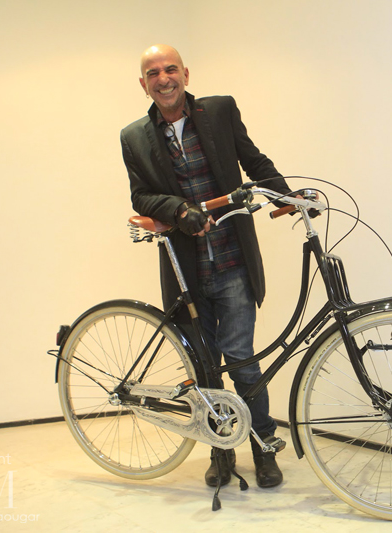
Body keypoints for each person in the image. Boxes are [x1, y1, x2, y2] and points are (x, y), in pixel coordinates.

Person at [120, 44, 290, 489]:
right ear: (143, 84)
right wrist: (178, 210)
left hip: (232, 260)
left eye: (170, 69)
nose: (163, 78)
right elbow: (141, 196)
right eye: (153, 73)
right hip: (186, 269)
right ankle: (220, 449)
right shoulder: (133, 136)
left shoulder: (219, 111)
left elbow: (253, 159)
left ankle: (263, 446)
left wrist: (288, 196)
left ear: (186, 74)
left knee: (242, 361)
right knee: (205, 368)